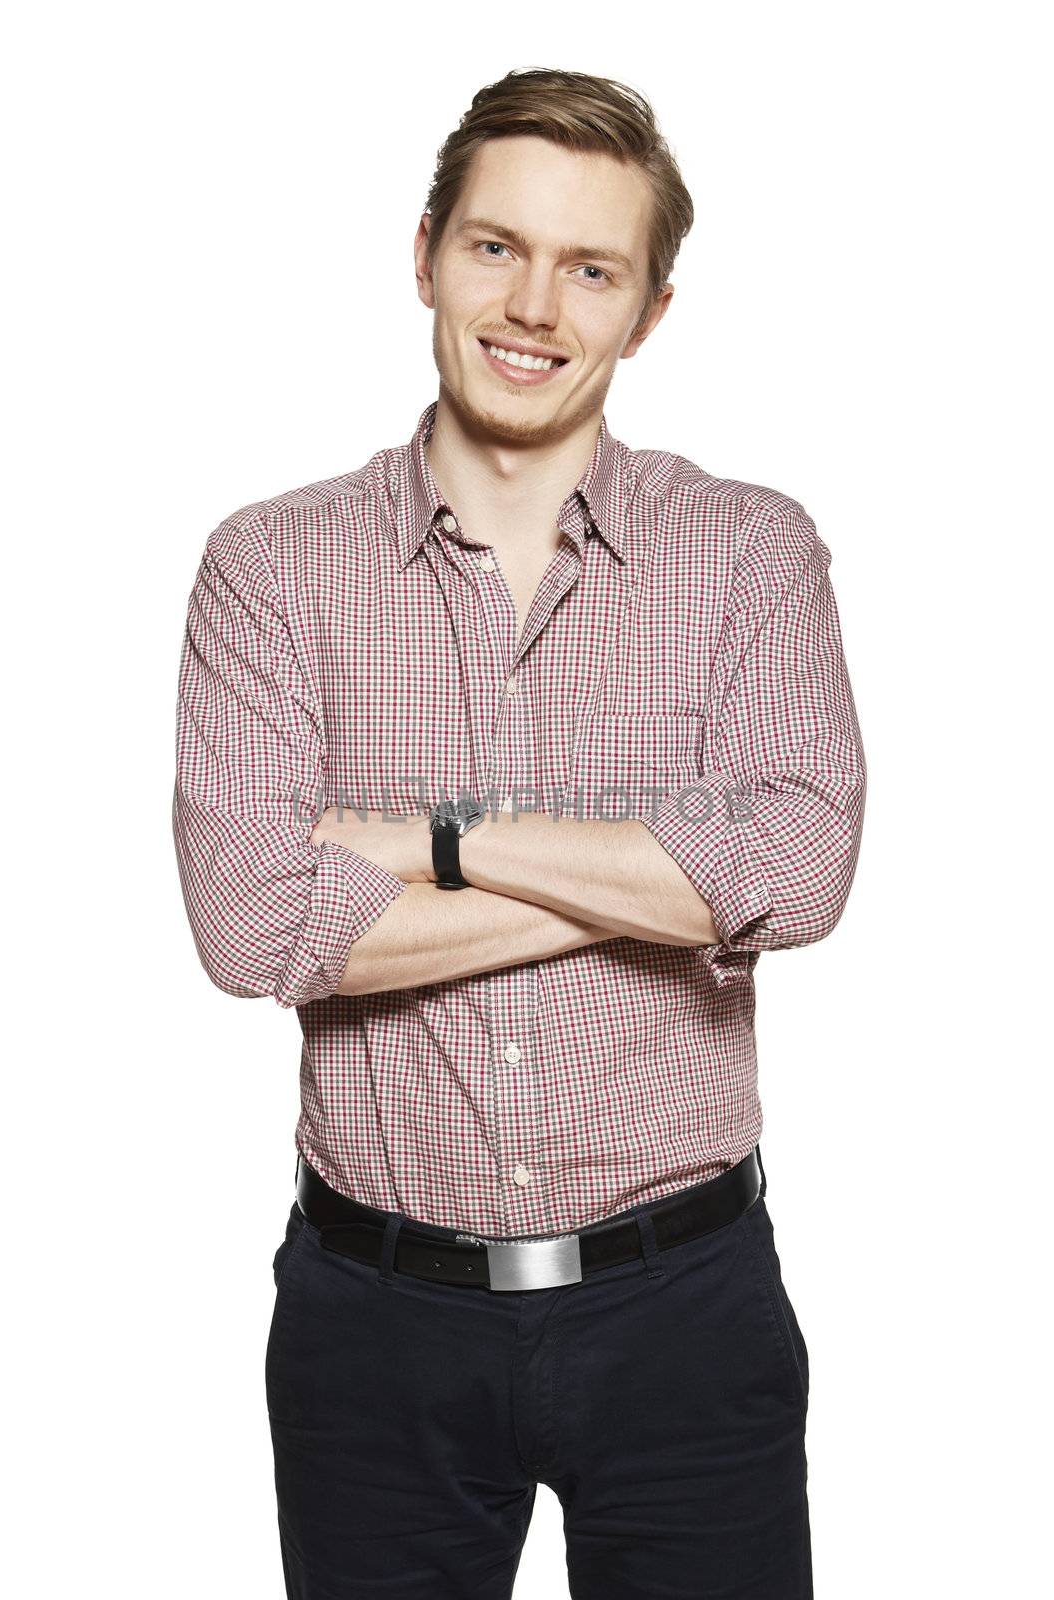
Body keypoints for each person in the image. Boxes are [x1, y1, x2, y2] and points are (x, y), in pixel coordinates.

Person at [172, 65, 866, 1600]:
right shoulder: (272, 568)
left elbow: (801, 867)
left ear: (649, 311)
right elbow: (251, 925)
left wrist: (435, 839)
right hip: (373, 1320)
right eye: (497, 247)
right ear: (424, 252)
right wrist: (667, 875)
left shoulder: (750, 552)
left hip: (685, 1303)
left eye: (591, 268)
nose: (535, 305)